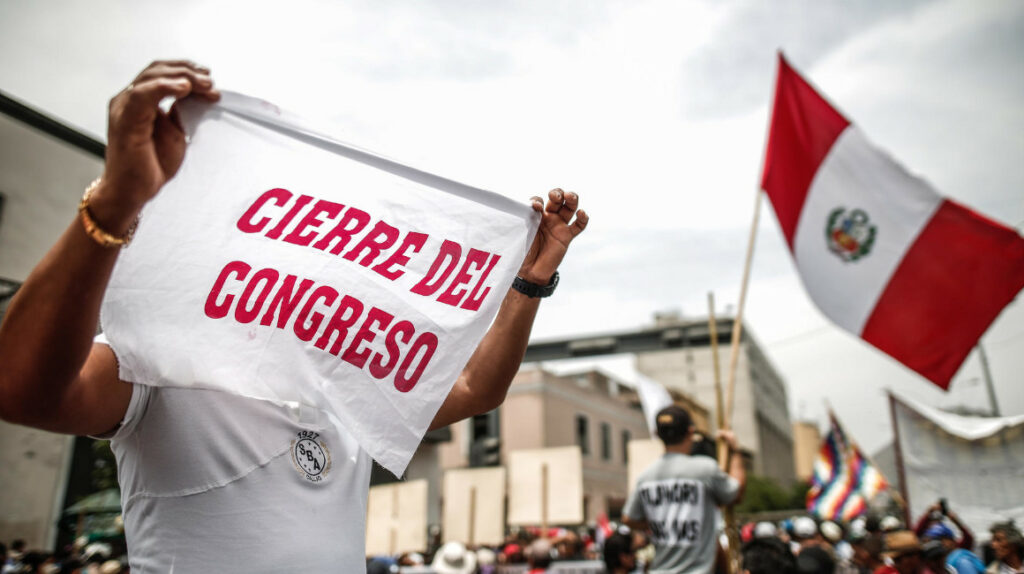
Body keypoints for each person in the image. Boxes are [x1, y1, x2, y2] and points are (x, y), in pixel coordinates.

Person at [0, 61, 588, 571]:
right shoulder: (159, 356)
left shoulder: (348, 386)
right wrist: (114, 201)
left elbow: (475, 388)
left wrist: (529, 282)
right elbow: (20, 390)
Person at [622, 404, 747, 573]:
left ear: (657, 434)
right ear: (690, 431)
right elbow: (736, 493)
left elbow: (628, 518)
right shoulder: (704, 470)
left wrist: (661, 521)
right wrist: (735, 450)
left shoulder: (646, 478)